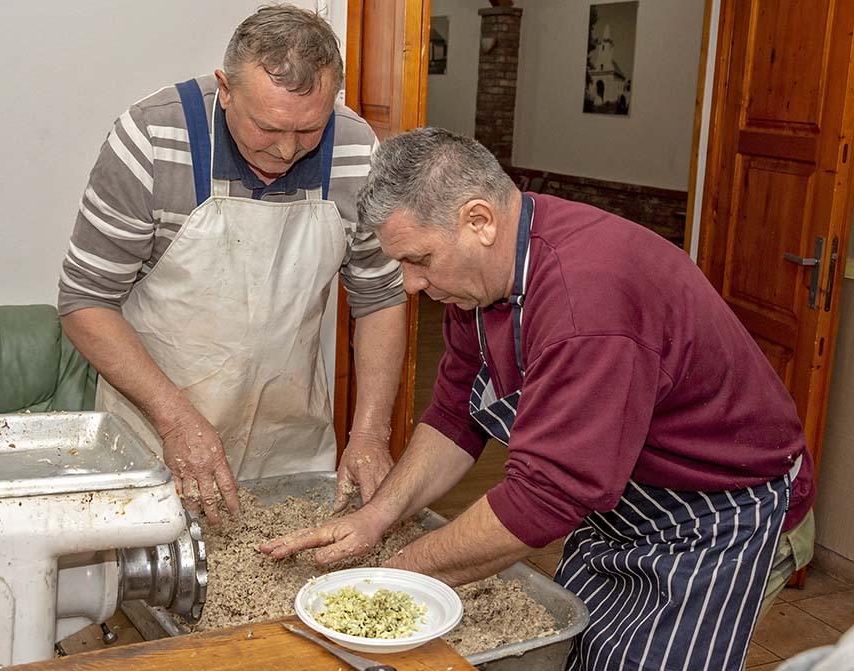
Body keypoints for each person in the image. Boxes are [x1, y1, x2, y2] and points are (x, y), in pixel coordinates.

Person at [261, 127, 816, 671]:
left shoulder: (586, 303)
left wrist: (395, 577)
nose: (409, 285)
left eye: (419, 260)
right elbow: (456, 414)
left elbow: (542, 499)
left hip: (720, 518)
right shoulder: (483, 280)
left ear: (479, 220)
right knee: (582, 652)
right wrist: (376, 517)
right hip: (621, 510)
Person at [57, 5, 406, 523]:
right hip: (155, 436)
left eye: (309, 130)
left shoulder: (357, 151)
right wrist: (176, 422)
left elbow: (380, 298)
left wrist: (371, 434)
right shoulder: (152, 137)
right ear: (225, 89)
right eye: (267, 127)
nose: (286, 150)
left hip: (287, 446)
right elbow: (84, 302)